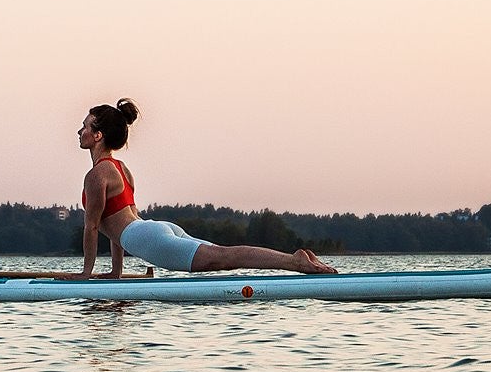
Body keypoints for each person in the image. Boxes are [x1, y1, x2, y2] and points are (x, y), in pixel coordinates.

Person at [78, 99, 337, 278]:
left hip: (145, 238)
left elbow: (92, 227)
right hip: (153, 229)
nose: (80, 131)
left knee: (223, 257)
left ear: (98, 135)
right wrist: (116, 273)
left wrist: (85, 274)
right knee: (222, 255)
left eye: (86, 126)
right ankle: (295, 260)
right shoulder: (121, 169)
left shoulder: (96, 174)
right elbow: (117, 225)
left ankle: (295, 261)